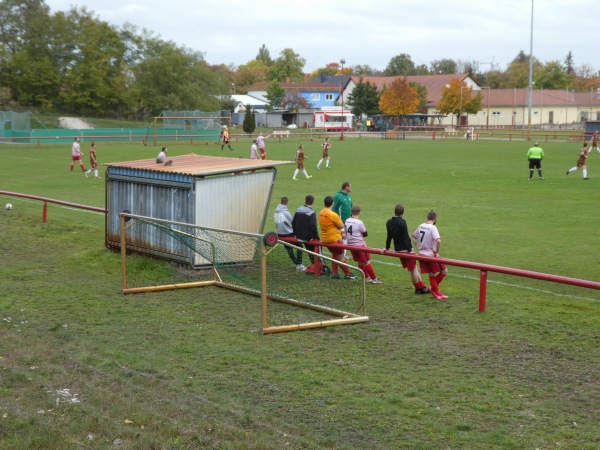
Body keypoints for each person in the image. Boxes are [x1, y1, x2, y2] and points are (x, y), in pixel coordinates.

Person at [385, 203, 429, 294]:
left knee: (414, 268)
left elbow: (389, 236)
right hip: (405, 250)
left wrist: (387, 247)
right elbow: (405, 237)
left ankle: (423, 287)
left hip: (398, 249)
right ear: (403, 212)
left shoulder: (389, 222)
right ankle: (418, 288)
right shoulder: (402, 222)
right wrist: (410, 249)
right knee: (412, 270)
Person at [412, 210, 448, 300]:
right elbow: (438, 240)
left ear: (427, 217)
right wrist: (436, 251)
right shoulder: (432, 228)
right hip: (430, 255)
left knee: (432, 273)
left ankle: (434, 289)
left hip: (421, 254)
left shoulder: (421, 226)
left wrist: (418, 246)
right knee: (444, 271)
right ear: (435, 219)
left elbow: (414, 236)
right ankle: (436, 291)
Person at [319, 195, 355, 279]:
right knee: (341, 257)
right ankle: (348, 274)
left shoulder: (321, 212)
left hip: (325, 239)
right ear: (332, 203)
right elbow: (341, 226)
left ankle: (335, 273)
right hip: (334, 239)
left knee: (335, 255)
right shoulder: (333, 214)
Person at [345, 205, 382, 283]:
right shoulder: (359, 222)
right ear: (359, 213)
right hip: (359, 245)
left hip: (351, 245)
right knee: (366, 262)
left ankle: (367, 277)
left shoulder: (347, 220)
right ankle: (374, 279)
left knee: (359, 261)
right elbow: (365, 233)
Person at [292, 194, 320, 270]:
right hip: (307, 237)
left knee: (300, 248)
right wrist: (316, 237)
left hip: (298, 236)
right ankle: (317, 266)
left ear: (305, 201)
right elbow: (313, 226)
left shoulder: (298, 209)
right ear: (313, 202)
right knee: (313, 251)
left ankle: (300, 264)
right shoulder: (312, 212)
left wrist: (294, 233)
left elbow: (293, 222)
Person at [274, 197, 302, 269]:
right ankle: (299, 264)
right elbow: (292, 223)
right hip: (288, 234)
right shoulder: (286, 212)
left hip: (279, 234)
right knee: (300, 246)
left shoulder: (276, 211)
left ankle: (297, 264)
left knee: (289, 249)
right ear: (287, 203)